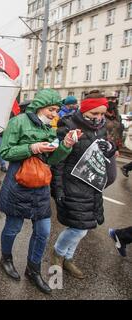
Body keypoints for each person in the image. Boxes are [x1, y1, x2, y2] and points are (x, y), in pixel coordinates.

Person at [0, 89, 78, 294]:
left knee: (43, 231)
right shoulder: (19, 122)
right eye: (52, 109)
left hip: (40, 185)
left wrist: (66, 146)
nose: (54, 114)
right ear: (40, 106)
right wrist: (32, 148)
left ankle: (33, 270)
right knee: (13, 227)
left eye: (57, 111)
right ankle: (5, 259)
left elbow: (51, 160)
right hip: (19, 184)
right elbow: (5, 152)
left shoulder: (49, 127)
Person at [50, 91, 117, 280]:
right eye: (94, 114)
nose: (99, 118)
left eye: (102, 114)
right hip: (72, 184)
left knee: (85, 227)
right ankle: (57, 254)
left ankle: (68, 258)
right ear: (85, 109)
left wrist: (110, 150)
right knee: (77, 227)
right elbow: (59, 161)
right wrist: (58, 189)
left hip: (91, 185)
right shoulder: (68, 125)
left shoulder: (101, 128)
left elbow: (107, 152)